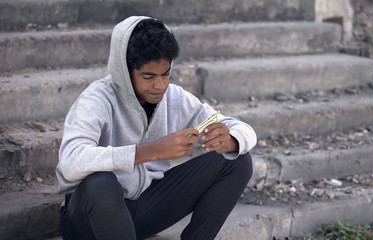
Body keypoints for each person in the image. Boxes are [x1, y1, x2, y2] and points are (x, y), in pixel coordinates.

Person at [56, 16, 257, 240]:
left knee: (237, 159)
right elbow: (70, 162)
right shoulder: (97, 99)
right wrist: (153, 151)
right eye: (148, 76)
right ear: (126, 70)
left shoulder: (174, 97)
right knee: (100, 183)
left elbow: (237, 126)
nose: (160, 85)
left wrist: (230, 139)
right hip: (90, 220)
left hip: (144, 210)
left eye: (165, 74)